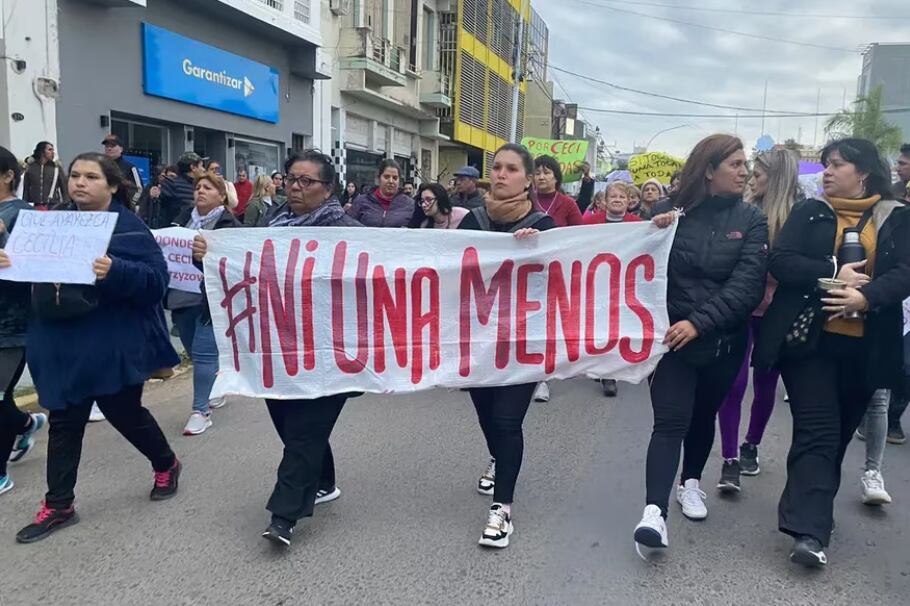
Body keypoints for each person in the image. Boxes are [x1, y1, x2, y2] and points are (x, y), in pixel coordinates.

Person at [4, 152, 181, 543]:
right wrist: (8, 264)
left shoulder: (130, 229)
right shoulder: (47, 226)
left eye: (90, 177)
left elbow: (156, 284)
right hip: (58, 342)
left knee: (125, 414)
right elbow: (27, 282)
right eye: (74, 176)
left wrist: (115, 270)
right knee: (65, 422)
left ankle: (166, 462)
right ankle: (59, 505)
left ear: (113, 185)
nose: (79, 183)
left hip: (110, 343)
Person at [753, 138, 910, 567]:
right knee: (817, 430)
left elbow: (905, 273)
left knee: (837, 435)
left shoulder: (896, 218)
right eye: (825, 165)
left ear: (863, 172)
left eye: (837, 164)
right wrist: (829, 273)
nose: (827, 171)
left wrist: (867, 297)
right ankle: (808, 533)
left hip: (866, 347)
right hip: (810, 343)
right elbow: (781, 262)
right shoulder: (811, 211)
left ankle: (813, 506)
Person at [195, 150, 362, 547]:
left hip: (329, 355)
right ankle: (324, 482)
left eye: (308, 181)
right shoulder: (272, 223)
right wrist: (213, 257)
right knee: (292, 428)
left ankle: (284, 515)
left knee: (304, 433)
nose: (297, 187)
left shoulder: (351, 233)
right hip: (278, 348)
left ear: (329, 189)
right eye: (292, 179)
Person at [633, 134, 768, 558]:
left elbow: (747, 286)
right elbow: (639, 269)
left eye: (746, 164)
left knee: (702, 417)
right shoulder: (668, 214)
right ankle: (653, 513)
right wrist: (647, 236)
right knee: (670, 421)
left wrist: (700, 322)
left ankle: (690, 482)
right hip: (671, 342)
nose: (744, 171)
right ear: (709, 169)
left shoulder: (751, 220)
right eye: (735, 164)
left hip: (723, 343)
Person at [458, 143, 556, 549]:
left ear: (528, 179)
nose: (500, 174)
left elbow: (561, 281)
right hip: (479, 340)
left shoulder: (545, 227)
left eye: (511, 168)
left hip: (524, 341)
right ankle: (499, 459)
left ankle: (503, 509)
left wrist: (537, 252)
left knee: (506, 421)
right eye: (496, 167)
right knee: (486, 414)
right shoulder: (471, 222)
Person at [715, 149, 799, 491]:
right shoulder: (743, 211)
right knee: (733, 384)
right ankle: (730, 458)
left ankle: (752, 444)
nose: (751, 176)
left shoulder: (800, 217)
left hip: (777, 314)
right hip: (740, 309)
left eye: (759, 171)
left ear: (776, 176)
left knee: (766, 382)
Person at [170, 171, 241, 435]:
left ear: (221, 196)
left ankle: (200, 411)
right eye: (198, 186)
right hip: (181, 294)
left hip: (210, 298)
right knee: (191, 347)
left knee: (202, 353)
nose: (200, 191)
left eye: (208, 187)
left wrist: (206, 255)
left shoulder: (229, 225)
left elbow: (233, 262)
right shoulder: (181, 220)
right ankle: (217, 379)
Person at [0, 146, 48, 496]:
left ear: (8, 176)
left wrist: (3, 239)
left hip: (11, 324)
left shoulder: (24, 215)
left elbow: (36, 270)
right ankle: (27, 423)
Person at [346, 159, 415, 227]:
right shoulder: (361, 201)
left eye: (395, 178)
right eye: (386, 177)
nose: (391, 181)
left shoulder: (410, 205)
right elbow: (348, 227)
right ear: (379, 178)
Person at [533, 155, 584, 228]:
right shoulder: (526, 202)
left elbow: (579, 232)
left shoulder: (569, 204)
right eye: (537, 174)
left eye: (546, 173)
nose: (541, 177)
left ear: (556, 177)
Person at [160, 152, 205, 226]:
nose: (203, 169)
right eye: (201, 166)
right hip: (173, 233)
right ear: (193, 167)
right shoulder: (170, 184)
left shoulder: (198, 185)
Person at [22, 142, 67, 209]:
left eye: (53, 150)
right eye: (49, 150)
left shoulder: (56, 168)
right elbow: (26, 189)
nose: (52, 152)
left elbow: (64, 188)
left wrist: (66, 204)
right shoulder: (31, 167)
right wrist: (25, 205)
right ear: (42, 151)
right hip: (35, 205)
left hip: (53, 205)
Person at [101, 134, 142, 202]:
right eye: (107, 146)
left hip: (122, 208)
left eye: (113, 146)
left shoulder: (130, 167)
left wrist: (132, 203)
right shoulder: (100, 166)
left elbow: (140, 189)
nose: (109, 148)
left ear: (121, 149)